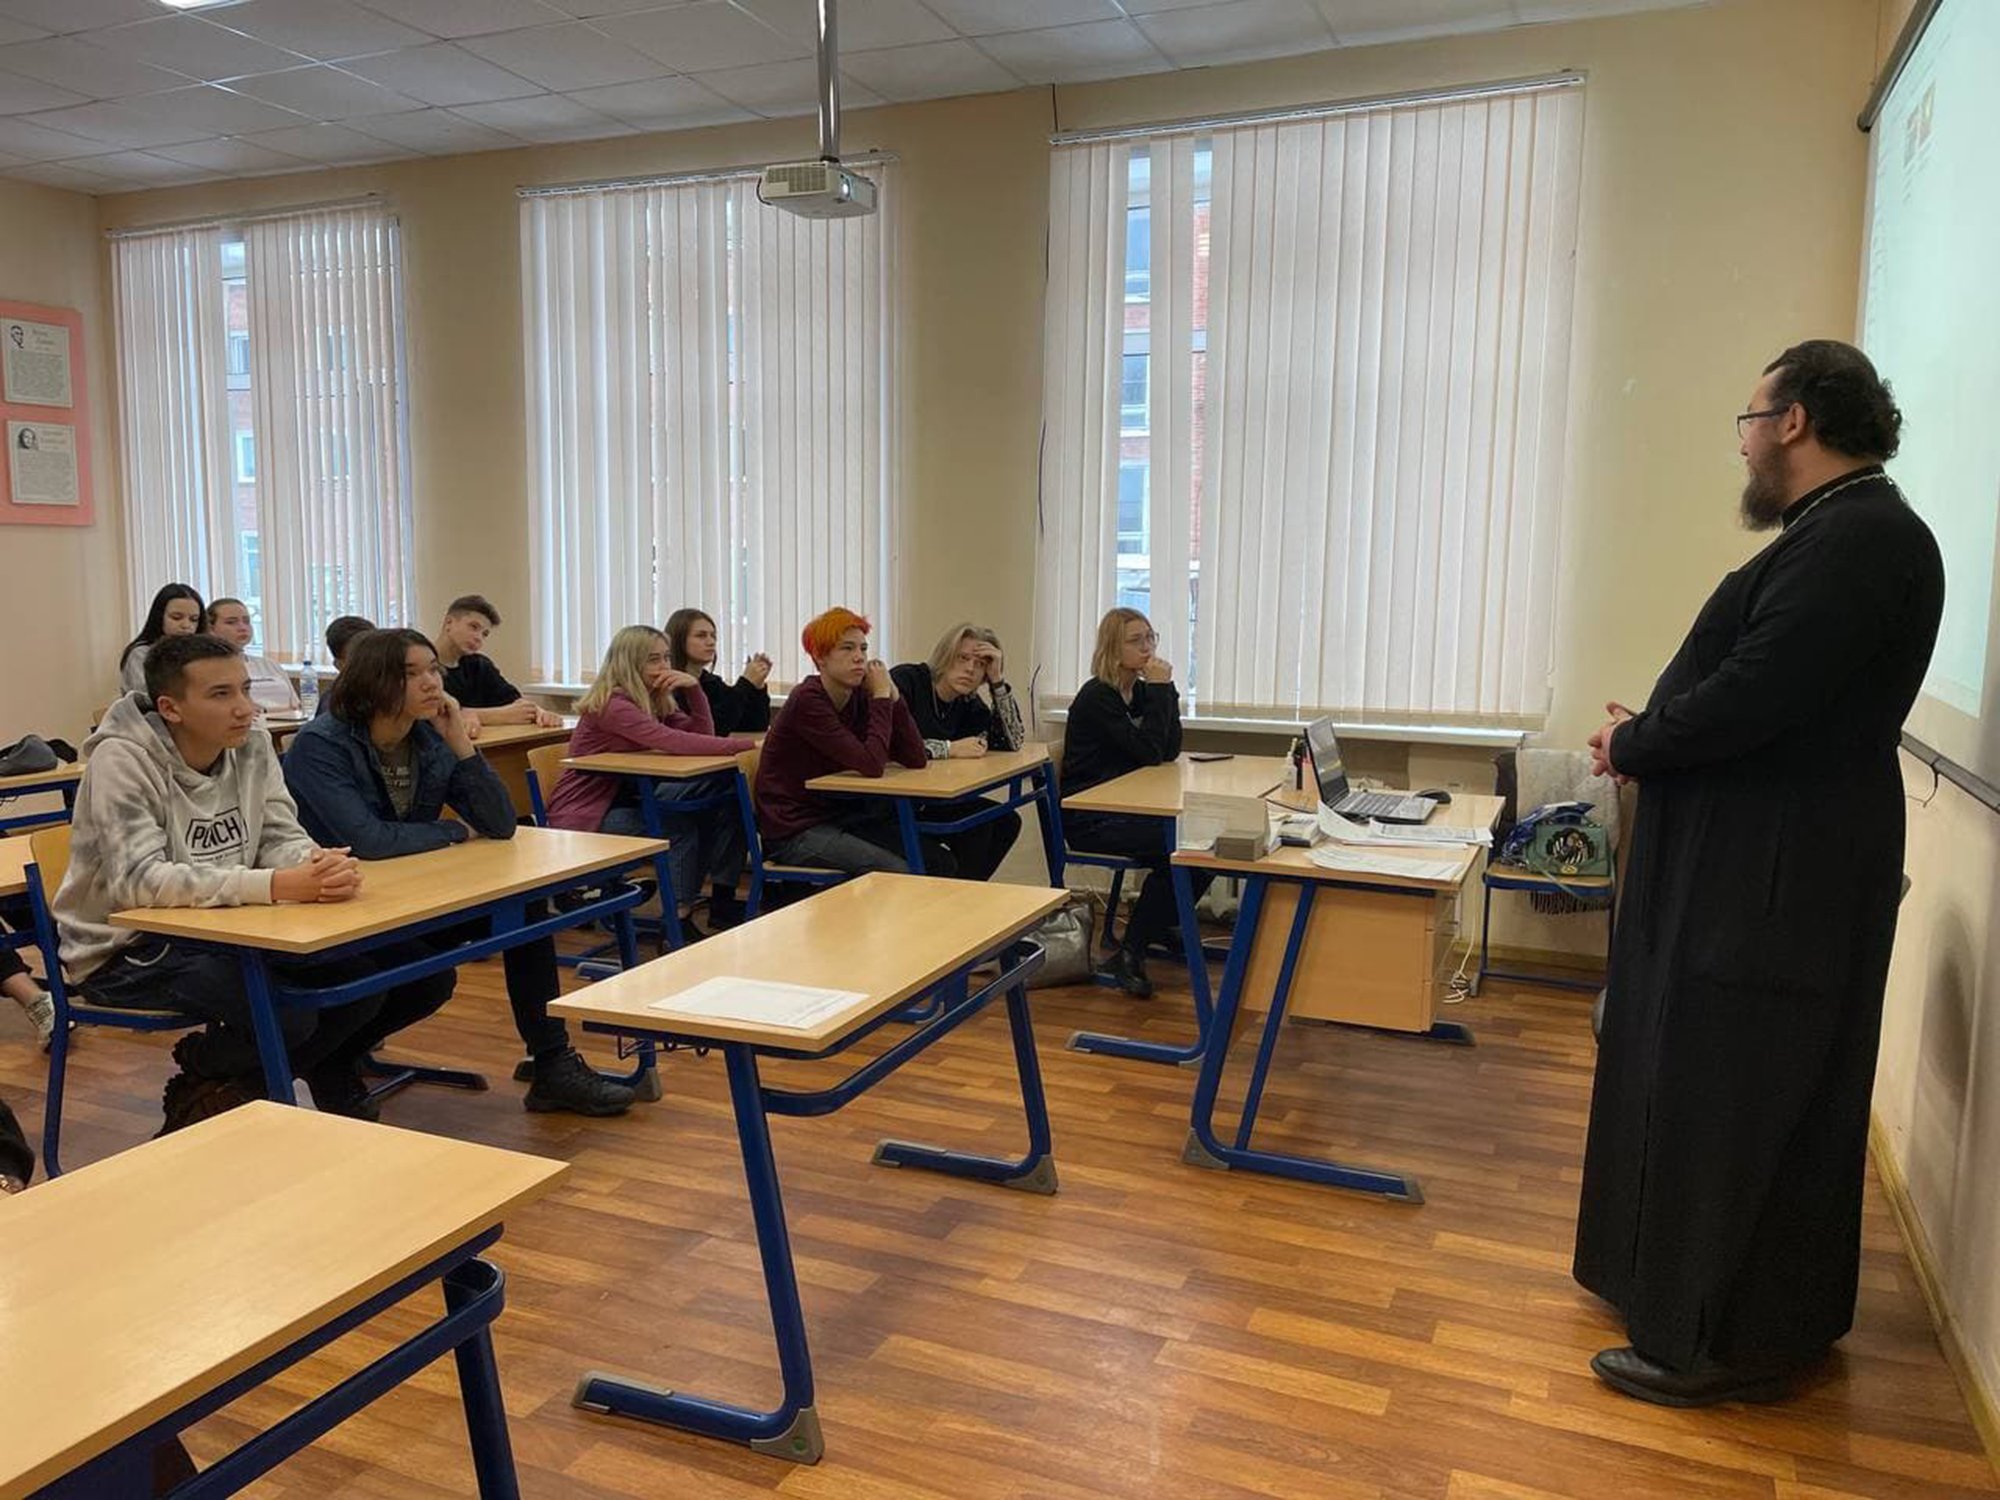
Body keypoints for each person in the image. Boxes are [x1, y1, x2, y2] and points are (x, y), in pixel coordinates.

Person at [1574, 341, 1944, 1407]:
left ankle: (1713, 1342)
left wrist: (1639, 740)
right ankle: (1690, 1300)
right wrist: (1652, 734)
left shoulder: (1858, 539)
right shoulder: (1841, 531)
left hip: (1771, 884)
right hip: (1763, 858)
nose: (1741, 444)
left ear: (1793, 421)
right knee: (1713, 1081)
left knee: (1735, 1093)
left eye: (1748, 420)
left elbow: (1753, 694)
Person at [283, 628, 634, 1117]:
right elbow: (370, 842)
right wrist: (450, 831)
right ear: (372, 681)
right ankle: (332, 1061)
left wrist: (461, 745)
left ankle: (552, 1064)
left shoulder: (429, 737)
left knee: (526, 909)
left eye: (433, 669)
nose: (432, 682)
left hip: (408, 896)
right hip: (339, 910)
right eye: (412, 674)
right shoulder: (322, 745)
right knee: (427, 981)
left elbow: (499, 823)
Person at [53, 633, 390, 1131]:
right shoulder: (121, 760)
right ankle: (220, 1084)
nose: (245, 708)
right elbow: (138, 883)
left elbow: (278, 834)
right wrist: (276, 885)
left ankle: (213, 1086)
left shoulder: (251, 744)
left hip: (226, 929)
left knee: (361, 983)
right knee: (287, 1015)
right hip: (125, 948)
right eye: (221, 694)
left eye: (245, 689)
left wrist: (315, 865)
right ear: (170, 708)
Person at [547, 625, 756, 937]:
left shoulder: (652, 700)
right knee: (677, 829)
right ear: (629, 663)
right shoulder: (613, 704)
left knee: (708, 813)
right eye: (653, 659)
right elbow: (674, 742)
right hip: (589, 814)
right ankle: (676, 920)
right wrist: (749, 746)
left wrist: (694, 690)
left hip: (625, 800)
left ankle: (682, 910)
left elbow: (702, 735)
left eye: (667, 658)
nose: (664, 666)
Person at [1059, 607, 1209, 998]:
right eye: (1135, 640)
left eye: (1150, 637)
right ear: (1113, 648)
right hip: (1091, 818)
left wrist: (1165, 691)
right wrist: (1160, 690)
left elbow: (1168, 749)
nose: (1147, 648)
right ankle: (1132, 951)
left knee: (1205, 846)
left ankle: (1151, 928)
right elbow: (1148, 752)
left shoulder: (1139, 691)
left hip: (1127, 808)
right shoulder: (1098, 696)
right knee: (1183, 849)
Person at [754, 607, 936, 875]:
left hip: (840, 817)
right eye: (847, 649)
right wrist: (881, 697)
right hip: (795, 829)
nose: (859, 657)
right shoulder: (807, 700)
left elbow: (916, 758)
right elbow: (872, 764)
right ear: (820, 657)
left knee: (937, 861)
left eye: (863, 649)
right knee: (898, 871)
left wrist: (895, 698)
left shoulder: (859, 693)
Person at [889, 623, 1027, 882]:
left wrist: (997, 682)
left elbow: (1012, 741)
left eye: (981, 664)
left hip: (928, 800)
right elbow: (889, 746)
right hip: (887, 806)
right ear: (945, 655)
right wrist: (949, 748)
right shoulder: (907, 680)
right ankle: (956, 900)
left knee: (1006, 822)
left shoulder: (966, 701)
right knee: (966, 842)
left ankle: (963, 898)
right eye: (962, 658)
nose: (970, 669)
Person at [434, 594, 561, 731]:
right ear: (449, 623)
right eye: (473, 627)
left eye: (485, 634)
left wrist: (540, 713)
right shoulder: (424, 668)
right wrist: (498, 716)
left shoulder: (480, 665)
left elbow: (515, 701)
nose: (479, 638)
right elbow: (437, 715)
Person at [666, 607, 773, 737]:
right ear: (679, 640)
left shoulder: (712, 682)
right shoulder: (669, 685)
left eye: (713, 636)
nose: (711, 642)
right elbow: (714, 729)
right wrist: (746, 683)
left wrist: (757, 687)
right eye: (701, 636)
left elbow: (754, 725)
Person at [205, 597, 300, 716]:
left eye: (246, 621)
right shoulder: (207, 668)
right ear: (211, 629)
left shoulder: (269, 664)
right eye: (231, 622)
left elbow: (297, 707)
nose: (242, 627)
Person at [118, 582, 204, 695]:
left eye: (193, 619)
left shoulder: (201, 654)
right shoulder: (141, 654)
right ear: (159, 617)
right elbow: (146, 698)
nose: (186, 625)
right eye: (176, 617)